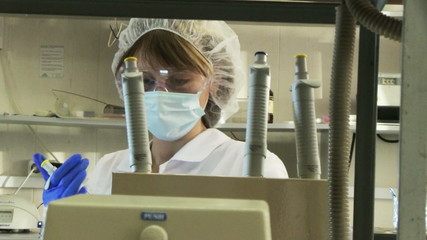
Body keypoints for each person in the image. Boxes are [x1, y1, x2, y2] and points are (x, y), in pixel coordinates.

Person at [33, 18, 288, 205]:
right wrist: (63, 217)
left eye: (179, 81)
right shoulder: (109, 168)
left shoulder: (249, 166)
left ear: (215, 83)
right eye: (145, 82)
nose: (160, 93)